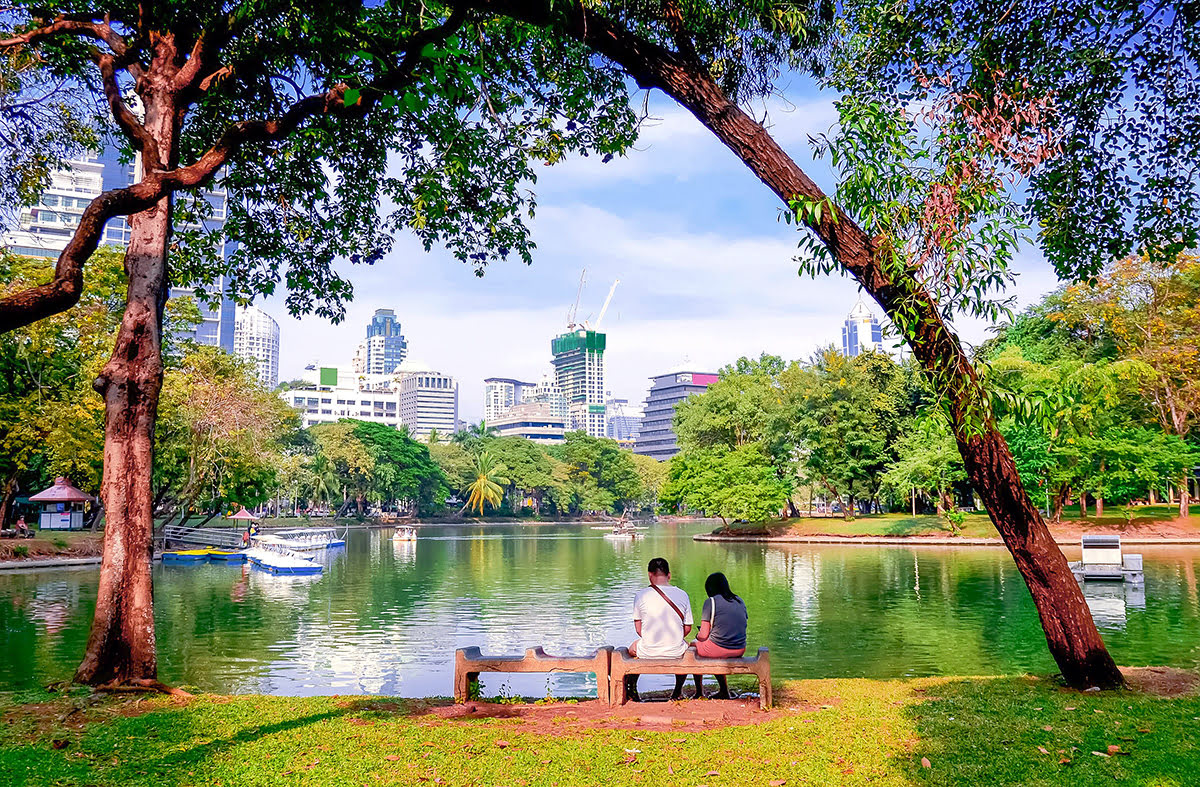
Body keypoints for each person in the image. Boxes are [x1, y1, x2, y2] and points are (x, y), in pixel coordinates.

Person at [627, 557, 693, 702]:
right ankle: (677, 692)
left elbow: (639, 630)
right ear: (669, 575)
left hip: (648, 650)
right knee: (688, 649)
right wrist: (675, 637)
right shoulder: (683, 594)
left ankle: (632, 688)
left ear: (650, 575)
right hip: (675, 651)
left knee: (631, 649)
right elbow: (687, 627)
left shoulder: (641, 595)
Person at [687, 572, 748, 699]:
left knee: (692, 648)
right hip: (739, 649)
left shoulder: (711, 602)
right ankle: (724, 690)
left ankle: (699, 692)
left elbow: (703, 635)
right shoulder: (739, 600)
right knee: (713, 648)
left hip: (719, 648)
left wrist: (697, 637)